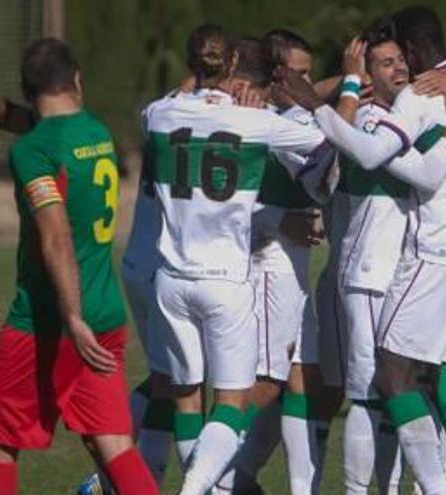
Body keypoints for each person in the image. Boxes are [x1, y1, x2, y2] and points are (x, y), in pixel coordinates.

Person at [278, 7, 446, 494]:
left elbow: (431, 149)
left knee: (406, 389)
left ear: (413, 57)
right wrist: (341, 95)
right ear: (365, 73)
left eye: (400, 59)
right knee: (375, 393)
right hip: (373, 268)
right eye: (384, 63)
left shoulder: (412, 108)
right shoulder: (373, 117)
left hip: (418, 266)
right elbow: (321, 177)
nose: (397, 70)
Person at [0, 38, 158, 495]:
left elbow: (55, 238)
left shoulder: (32, 152)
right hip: (105, 318)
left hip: (48, 325)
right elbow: (34, 124)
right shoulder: (95, 131)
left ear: (29, 91)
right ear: (77, 81)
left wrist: (71, 317)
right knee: (114, 444)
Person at [143, 23, 334, 495]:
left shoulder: (159, 116)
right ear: (232, 66)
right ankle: (198, 491)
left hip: (171, 279)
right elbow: (328, 143)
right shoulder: (256, 123)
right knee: (231, 403)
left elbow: (163, 103)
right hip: (226, 280)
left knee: (185, 398)